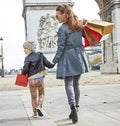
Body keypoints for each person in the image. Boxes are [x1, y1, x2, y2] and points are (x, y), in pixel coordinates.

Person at [51, 5, 89, 123]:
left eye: (58, 16)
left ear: (65, 15)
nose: (57, 18)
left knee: (68, 84)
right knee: (76, 83)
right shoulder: (78, 25)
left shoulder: (62, 28)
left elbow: (61, 47)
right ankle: (76, 108)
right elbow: (87, 35)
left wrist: (54, 60)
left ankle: (72, 108)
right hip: (79, 56)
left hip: (68, 56)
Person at [22, 41, 54, 117]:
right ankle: (39, 106)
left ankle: (35, 112)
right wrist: (54, 62)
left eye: (25, 48)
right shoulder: (40, 55)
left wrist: (23, 71)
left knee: (33, 97)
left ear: (29, 48)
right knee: (41, 94)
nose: (24, 50)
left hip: (32, 80)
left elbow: (25, 71)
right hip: (40, 79)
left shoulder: (27, 58)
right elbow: (49, 65)